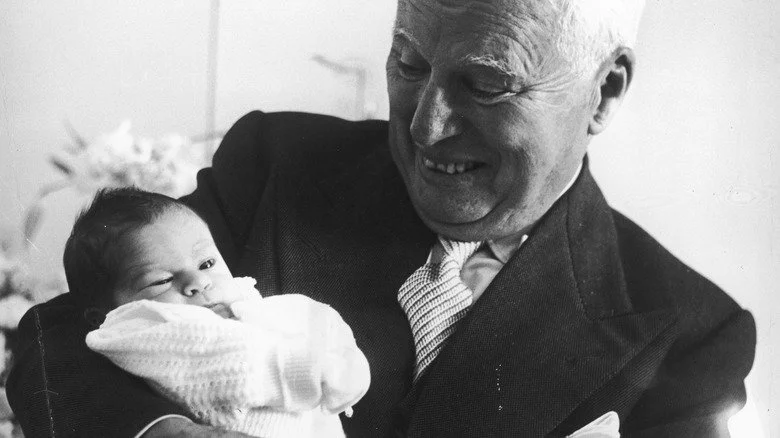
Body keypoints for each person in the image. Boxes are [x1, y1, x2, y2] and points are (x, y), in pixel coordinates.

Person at [8, 0, 756, 436]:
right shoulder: (278, 163)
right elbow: (59, 338)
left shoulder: (690, 336)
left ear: (606, 91)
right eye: (409, 63)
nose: (426, 128)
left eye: (486, 84)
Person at [65, 187, 370, 437]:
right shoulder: (143, 331)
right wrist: (317, 369)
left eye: (207, 263)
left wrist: (331, 338)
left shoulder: (234, 297)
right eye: (161, 281)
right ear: (106, 315)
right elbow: (233, 362)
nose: (199, 282)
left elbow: (297, 313)